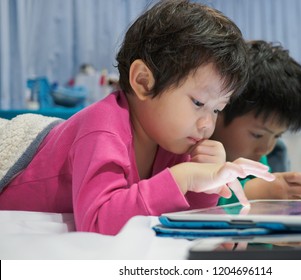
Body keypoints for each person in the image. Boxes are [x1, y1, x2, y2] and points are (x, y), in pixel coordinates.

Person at [0, 1, 275, 235]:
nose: (207, 124)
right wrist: (182, 178)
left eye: (216, 109)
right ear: (143, 81)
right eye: (198, 103)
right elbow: (97, 224)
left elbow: (182, 219)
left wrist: (208, 182)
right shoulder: (102, 129)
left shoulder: (173, 140)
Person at [212, 40, 301, 205]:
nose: (266, 148)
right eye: (257, 134)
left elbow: (271, 198)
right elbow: (191, 200)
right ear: (219, 109)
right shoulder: (193, 153)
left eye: (277, 136)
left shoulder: (256, 159)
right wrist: (257, 191)